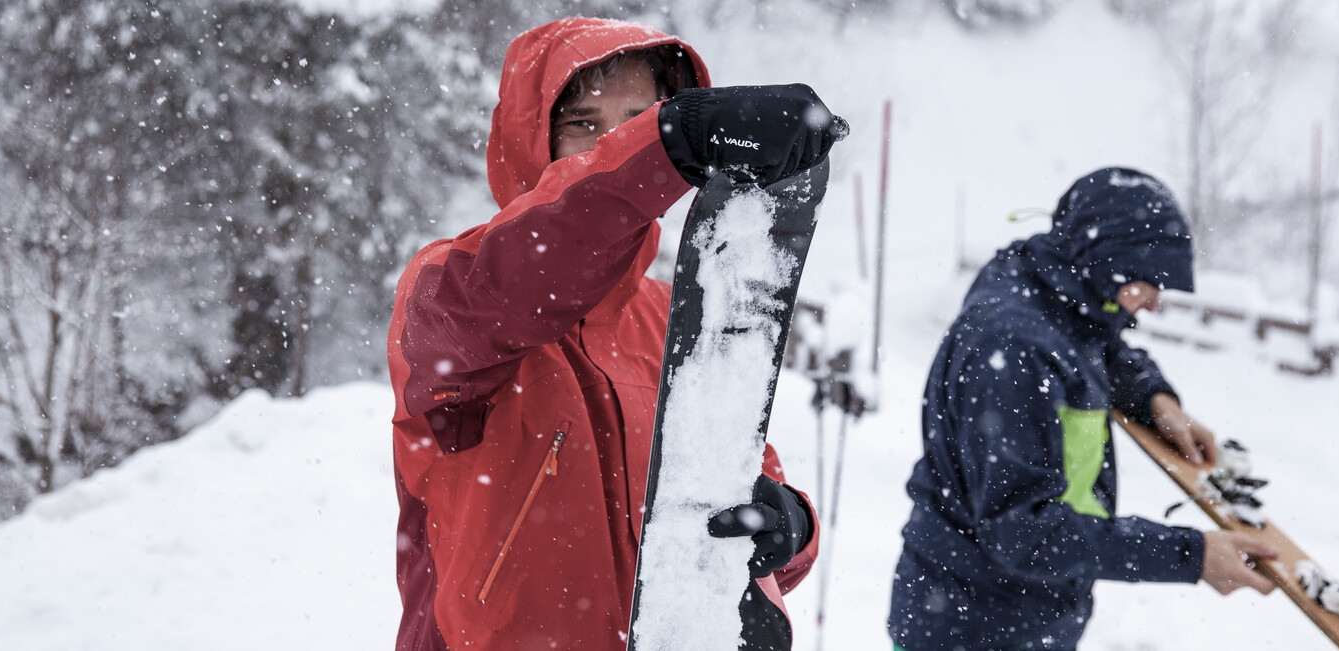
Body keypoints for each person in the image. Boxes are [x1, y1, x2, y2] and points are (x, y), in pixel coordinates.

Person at [386, 17, 842, 651]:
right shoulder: (451, 292)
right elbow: (525, 272)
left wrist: (790, 526)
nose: (620, 141)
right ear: (529, 140)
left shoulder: (674, 315)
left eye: (638, 117)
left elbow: (747, 485)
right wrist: (665, 141)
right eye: (585, 125)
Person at [888, 168, 1279, 650]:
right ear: (1105, 258)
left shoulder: (1046, 283)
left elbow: (1099, 345)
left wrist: (1156, 400)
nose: (1155, 303)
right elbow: (1024, 533)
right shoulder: (1013, 349)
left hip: (1013, 615)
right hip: (974, 626)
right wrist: (1192, 556)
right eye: (1148, 281)